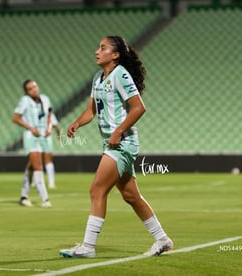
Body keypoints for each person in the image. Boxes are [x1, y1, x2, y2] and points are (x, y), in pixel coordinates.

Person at [59, 36, 173, 258]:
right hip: (111, 143)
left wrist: (119, 131)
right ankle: (163, 239)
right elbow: (91, 111)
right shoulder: (97, 78)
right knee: (131, 196)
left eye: (103, 48)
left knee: (97, 190)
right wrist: (77, 123)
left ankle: (88, 247)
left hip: (122, 143)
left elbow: (139, 108)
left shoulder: (120, 74)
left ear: (116, 54)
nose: (96, 51)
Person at [13, 79, 52, 208]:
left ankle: (23, 197)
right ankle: (45, 199)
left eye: (35, 86)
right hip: (31, 136)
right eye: (30, 88)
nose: (34, 89)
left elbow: (49, 113)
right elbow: (16, 118)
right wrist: (30, 128)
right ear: (26, 92)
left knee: (31, 165)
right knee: (38, 166)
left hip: (42, 136)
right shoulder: (25, 101)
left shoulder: (45, 99)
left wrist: (49, 128)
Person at [24, 112, 61, 191]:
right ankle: (50, 183)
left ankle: (33, 182)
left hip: (37, 137)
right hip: (45, 138)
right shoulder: (49, 113)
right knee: (46, 160)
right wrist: (59, 135)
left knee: (35, 160)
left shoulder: (33, 112)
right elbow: (56, 126)